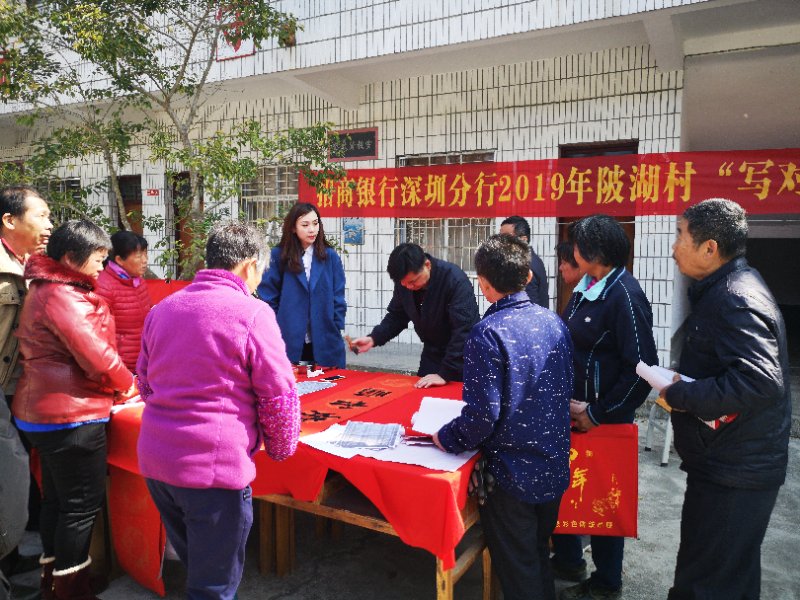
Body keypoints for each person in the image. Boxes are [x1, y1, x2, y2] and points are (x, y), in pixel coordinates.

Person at [137, 222, 301, 600]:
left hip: (158, 462)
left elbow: (144, 382)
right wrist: (280, 448)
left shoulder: (164, 308)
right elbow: (278, 395)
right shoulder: (253, 312)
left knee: (200, 569)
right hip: (212, 471)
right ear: (250, 265)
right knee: (213, 586)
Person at [661, 199, 791, 600]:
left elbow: (760, 381)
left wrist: (682, 394)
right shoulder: (724, 288)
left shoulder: (736, 297)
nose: (674, 246)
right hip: (726, 462)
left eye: (680, 236)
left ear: (709, 248)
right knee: (726, 576)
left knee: (708, 584)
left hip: (735, 471)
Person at [433, 234, 573, 600]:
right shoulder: (554, 322)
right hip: (553, 465)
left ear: (483, 283)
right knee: (538, 553)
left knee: (519, 568)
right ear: (528, 276)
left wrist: (446, 437)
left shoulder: (488, 332)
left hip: (512, 476)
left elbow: (483, 416)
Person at [12, 220, 135, 600]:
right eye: (98, 259)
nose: (101, 266)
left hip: (46, 412)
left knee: (58, 502)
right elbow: (96, 357)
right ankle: (72, 590)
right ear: (70, 258)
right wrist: (128, 385)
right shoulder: (61, 295)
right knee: (80, 508)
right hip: (70, 415)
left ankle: (52, 584)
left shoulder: (46, 288)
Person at [552, 215, 658, 600]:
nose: (573, 251)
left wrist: (596, 412)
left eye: (577, 245)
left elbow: (642, 370)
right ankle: (568, 560)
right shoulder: (587, 286)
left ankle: (606, 583)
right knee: (569, 491)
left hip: (603, 420)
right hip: (575, 415)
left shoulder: (625, 296)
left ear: (593, 253)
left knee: (603, 501)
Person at [0, 185, 53, 588]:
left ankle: (11, 558)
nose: (49, 225)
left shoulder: (31, 264)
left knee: (12, 479)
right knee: (11, 473)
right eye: (41, 216)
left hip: (16, 386)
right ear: (9, 220)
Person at [350, 243, 479, 388]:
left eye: (413, 281)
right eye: (404, 284)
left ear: (427, 265)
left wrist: (445, 373)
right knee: (420, 394)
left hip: (462, 358)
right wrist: (374, 338)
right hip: (432, 353)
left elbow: (464, 330)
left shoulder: (454, 280)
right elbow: (397, 316)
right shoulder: (405, 282)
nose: (409, 287)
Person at [258, 203, 346, 368]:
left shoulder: (330, 256)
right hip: (288, 337)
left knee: (329, 381)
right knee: (290, 381)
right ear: (293, 228)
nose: (312, 230)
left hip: (325, 336)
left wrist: (336, 325)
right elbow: (268, 297)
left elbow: (338, 296)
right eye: (305, 225)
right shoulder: (278, 255)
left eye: (315, 223)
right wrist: (276, 326)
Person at [94, 230, 152, 372]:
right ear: (119, 260)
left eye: (145, 254)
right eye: (138, 256)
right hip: (119, 367)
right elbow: (98, 336)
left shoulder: (139, 282)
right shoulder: (104, 287)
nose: (145, 260)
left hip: (143, 362)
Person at [499, 215, 549, 307]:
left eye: (506, 238)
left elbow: (530, 307)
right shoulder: (527, 260)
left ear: (523, 240)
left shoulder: (526, 266)